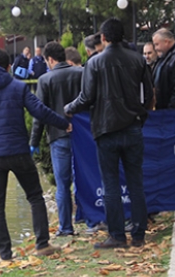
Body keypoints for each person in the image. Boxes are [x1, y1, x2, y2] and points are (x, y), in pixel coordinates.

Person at [0, 48, 72, 261]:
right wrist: (63, 123)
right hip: (18, 151)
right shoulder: (17, 87)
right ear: (9, 67)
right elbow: (40, 111)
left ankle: (5, 254)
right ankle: (42, 244)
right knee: (34, 196)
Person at [64, 18, 154, 249]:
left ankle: (117, 235)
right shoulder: (138, 60)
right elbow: (149, 93)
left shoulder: (94, 63)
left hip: (106, 130)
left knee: (111, 184)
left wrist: (68, 109)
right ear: (122, 36)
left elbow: (86, 97)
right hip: (133, 127)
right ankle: (139, 233)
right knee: (136, 182)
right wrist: (141, 115)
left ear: (103, 38)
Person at [29, 41, 83, 237]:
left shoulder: (45, 80)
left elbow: (40, 114)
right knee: (84, 179)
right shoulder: (81, 73)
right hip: (82, 136)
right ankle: (89, 220)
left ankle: (66, 227)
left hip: (58, 137)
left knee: (62, 184)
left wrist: (34, 142)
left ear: (50, 59)